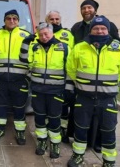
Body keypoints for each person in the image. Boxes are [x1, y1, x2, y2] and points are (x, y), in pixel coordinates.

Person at [66, 16, 120, 167]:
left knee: (108, 129)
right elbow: (71, 69)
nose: (99, 31)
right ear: (91, 29)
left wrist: (109, 85)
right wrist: (82, 84)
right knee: (80, 127)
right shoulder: (79, 47)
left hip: (107, 98)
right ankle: (78, 155)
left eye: (103, 28)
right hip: (84, 97)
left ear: (107, 30)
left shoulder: (118, 49)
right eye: (96, 28)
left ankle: (108, 160)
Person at [26, 22, 68, 159]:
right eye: (41, 34)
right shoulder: (35, 47)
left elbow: (70, 70)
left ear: (52, 34)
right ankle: (42, 142)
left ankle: (55, 144)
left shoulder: (64, 48)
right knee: (39, 118)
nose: (44, 37)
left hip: (55, 91)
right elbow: (28, 64)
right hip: (38, 90)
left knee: (55, 119)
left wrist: (68, 90)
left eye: (46, 34)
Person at [0, 9, 31, 145]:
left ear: (18, 21)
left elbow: (34, 59)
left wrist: (28, 77)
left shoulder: (27, 36)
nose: (11, 21)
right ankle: (0, 129)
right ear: (4, 20)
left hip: (19, 80)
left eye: (14, 18)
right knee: (0, 106)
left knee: (19, 107)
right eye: (8, 18)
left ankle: (20, 131)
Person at [44, 10, 75, 143]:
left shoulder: (67, 34)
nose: (55, 21)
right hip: (46, 79)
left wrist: (70, 83)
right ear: (47, 21)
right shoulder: (42, 34)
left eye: (57, 19)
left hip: (63, 78)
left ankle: (62, 131)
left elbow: (73, 58)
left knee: (63, 107)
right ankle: (46, 128)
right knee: (47, 107)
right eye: (52, 19)